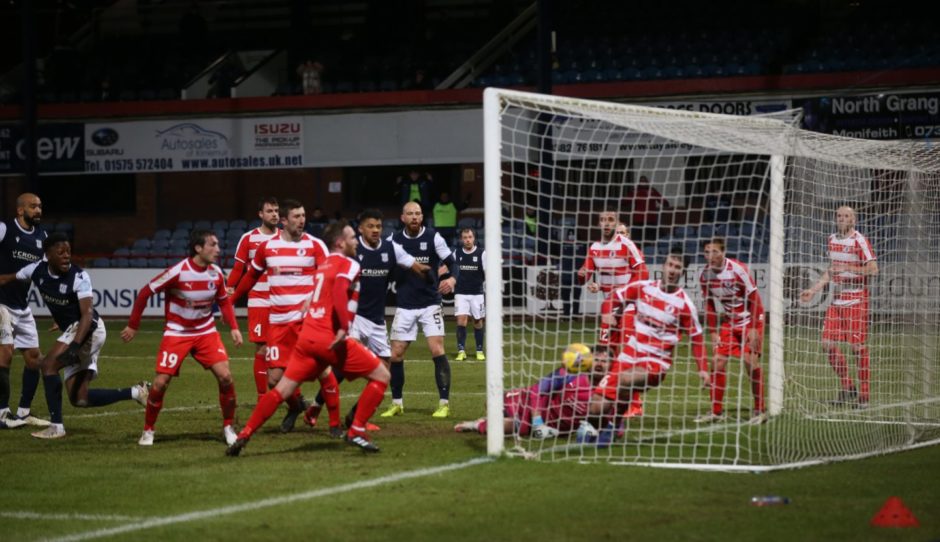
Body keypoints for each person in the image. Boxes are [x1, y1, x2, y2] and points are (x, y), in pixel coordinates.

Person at [227, 221, 391, 456]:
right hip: (329, 338)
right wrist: (344, 327)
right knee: (382, 375)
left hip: (307, 338)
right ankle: (356, 429)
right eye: (352, 237)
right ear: (340, 243)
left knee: (281, 389)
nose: (356, 241)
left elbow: (313, 298)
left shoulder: (323, 266)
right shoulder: (348, 264)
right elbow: (338, 291)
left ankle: (245, 434)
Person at [0, 233, 149, 438]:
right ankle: (136, 392)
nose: (66, 256)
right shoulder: (36, 270)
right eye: (60, 252)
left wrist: (74, 346)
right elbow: (9, 278)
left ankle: (56, 427)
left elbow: (87, 313)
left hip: (88, 330)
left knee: (48, 365)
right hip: (75, 330)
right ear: (47, 254)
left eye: (69, 252)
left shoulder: (79, 276)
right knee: (80, 398)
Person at [303, 208, 428, 430]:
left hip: (377, 320)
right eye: (370, 226)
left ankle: (355, 416)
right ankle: (317, 405)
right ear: (360, 229)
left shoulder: (391, 248)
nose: (375, 230)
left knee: (384, 371)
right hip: (354, 317)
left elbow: (414, 265)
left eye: (378, 226)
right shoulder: (352, 250)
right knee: (344, 366)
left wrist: (434, 276)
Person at [121, 229, 243, 447]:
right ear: (198, 248)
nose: (218, 249)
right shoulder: (178, 271)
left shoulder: (216, 273)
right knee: (160, 383)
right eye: (212, 245)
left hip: (205, 332)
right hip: (177, 333)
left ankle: (228, 427)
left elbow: (224, 300)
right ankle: (148, 430)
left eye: (217, 245)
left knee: (225, 377)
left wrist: (233, 327)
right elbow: (145, 292)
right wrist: (133, 325)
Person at [231, 199, 340, 432]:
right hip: (279, 323)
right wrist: (229, 302)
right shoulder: (268, 247)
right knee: (274, 379)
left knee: (322, 370)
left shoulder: (315, 245)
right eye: (297, 216)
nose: (302, 220)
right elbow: (250, 276)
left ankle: (334, 424)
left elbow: (329, 277)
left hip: (308, 322)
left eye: (303, 216)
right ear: (285, 220)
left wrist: (316, 300)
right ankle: (295, 406)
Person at [584, 251, 709, 444]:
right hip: (629, 354)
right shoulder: (643, 288)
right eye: (670, 265)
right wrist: (607, 314)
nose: (672, 270)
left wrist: (703, 370)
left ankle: (610, 427)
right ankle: (608, 429)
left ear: (683, 271)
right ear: (663, 266)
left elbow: (697, 337)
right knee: (594, 408)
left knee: (624, 380)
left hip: (656, 363)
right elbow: (613, 298)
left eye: (677, 267)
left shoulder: (685, 305)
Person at [380, 201, 459, 419]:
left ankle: (444, 403)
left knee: (436, 349)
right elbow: (382, 263)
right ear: (402, 217)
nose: (414, 217)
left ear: (422, 217)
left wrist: (452, 279)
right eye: (410, 214)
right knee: (395, 354)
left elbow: (453, 263)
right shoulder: (393, 240)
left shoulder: (433, 237)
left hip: (430, 304)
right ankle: (397, 403)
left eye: (418, 214)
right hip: (405, 305)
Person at [800, 205, 878, 408]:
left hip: (857, 299)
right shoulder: (832, 239)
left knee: (857, 347)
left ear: (854, 220)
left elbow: (873, 269)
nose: (842, 219)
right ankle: (847, 387)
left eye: (846, 216)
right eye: (839, 216)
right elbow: (831, 271)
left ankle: (864, 396)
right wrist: (814, 290)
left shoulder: (859, 240)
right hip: (837, 300)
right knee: (827, 344)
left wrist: (848, 267)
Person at [576, 208, 648, 418]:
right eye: (603, 220)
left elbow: (643, 272)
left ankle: (635, 405)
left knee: (626, 356)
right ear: (598, 223)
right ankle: (607, 401)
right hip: (609, 310)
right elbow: (585, 275)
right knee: (606, 356)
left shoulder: (627, 245)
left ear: (616, 223)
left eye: (610, 220)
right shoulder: (595, 248)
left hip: (628, 309)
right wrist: (582, 275)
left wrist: (622, 296)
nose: (606, 223)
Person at [454, 346, 609, 438]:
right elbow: (536, 390)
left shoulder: (609, 392)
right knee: (493, 404)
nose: (600, 364)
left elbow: (614, 422)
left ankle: (482, 423)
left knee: (515, 427)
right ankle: (478, 423)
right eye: (597, 359)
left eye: (604, 361)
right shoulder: (569, 375)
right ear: (588, 362)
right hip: (528, 405)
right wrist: (537, 423)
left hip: (550, 427)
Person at [696, 237, 767, 425]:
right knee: (717, 362)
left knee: (750, 363)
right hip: (730, 323)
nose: (710, 256)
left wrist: (753, 328)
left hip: (751, 320)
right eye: (707, 252)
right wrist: (713, 332)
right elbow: (710, 305)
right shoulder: (705, 276)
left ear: (723, 252)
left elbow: (755, 301)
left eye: (715, 252)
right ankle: (716, 412)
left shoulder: (738, 269)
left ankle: (760, 410)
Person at [0, 193, 49, 429]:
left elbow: (45, 274)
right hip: (1, 303)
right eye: (33, 206)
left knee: (34, 359)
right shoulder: (4, 229)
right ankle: (1, 413)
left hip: (22, 305)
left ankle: (24, 412)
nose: (38, 210)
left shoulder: (43, 237)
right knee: (5, 353)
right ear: (20, 210)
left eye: (40, 206)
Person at [227, 197, 280, 403]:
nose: (274, 214)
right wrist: (228, 294)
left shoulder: (285, 238)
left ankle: (291, 395)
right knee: (262, 349)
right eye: (270, 211)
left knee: (286, 350)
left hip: (282, 301)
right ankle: (262, 397)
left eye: (276, 211)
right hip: (258, 299)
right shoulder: (248, 238)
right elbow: (239, 269)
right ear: (261, 214)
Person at [453, 228, 485, 362]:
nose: (467, 240)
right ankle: (461, 350)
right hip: (461, 292)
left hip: (477, 293)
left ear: (474, 238)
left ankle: (479, 350)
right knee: (461, 320)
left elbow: (487, 271)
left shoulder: (482, 253)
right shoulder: (457, 253)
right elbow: (450, 268)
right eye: (465, 237)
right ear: (461, 239)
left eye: (470, 237)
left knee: (477, 321)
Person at [623, 175, 667, 243]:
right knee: (639, 238)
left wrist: (665, 203)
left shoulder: (651, 191)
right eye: (641, 181)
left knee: (650, 237)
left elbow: (661, 199)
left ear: (647, 182)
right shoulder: (635, 191)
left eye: (644, 181)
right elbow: (626, 201)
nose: (643, 182)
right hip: (639, 220)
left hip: (650, 219)